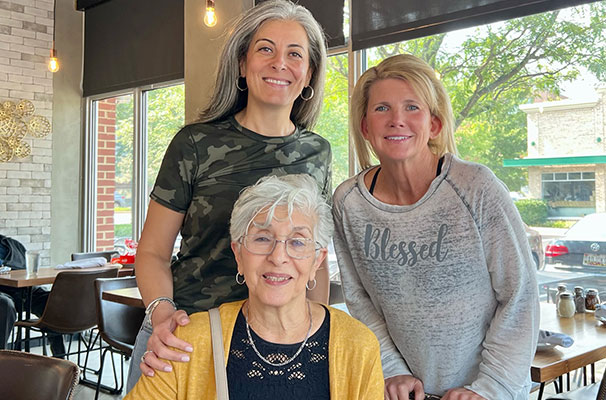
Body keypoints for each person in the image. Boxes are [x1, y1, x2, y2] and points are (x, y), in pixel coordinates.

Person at [127, 0, 332, 390]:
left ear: (309, 74)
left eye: (295, 54)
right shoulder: (194, 143)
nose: (279, 63)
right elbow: (152, 252)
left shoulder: (317, 152)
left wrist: (315, 328)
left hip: (278, 342)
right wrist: (162, 313)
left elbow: (314, 259)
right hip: (186, 333)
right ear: (242, 63)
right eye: (265, 49)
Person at [332, 54, 539, 400]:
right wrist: (392, 369)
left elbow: (519, 295)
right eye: (382, 108)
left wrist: (491, 389)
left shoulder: (476, 188)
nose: (397, 120)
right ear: (365, 127)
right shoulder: (348, 203)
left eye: (412, 107)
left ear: (435, 125)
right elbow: (359, 298)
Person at [126, 174, 383, 399]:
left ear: (317, 260)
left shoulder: (358, 345)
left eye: (297, 241)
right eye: (262, 238)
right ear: (238, 254)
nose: (278, 257)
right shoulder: (188, 341)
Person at [0, 234, 65, 356]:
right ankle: (3, 359)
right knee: (4, 305)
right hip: (3, 293)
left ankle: (60, 358)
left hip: (24, 290)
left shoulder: (10, 244)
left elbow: (25, 271)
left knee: (50, 300)